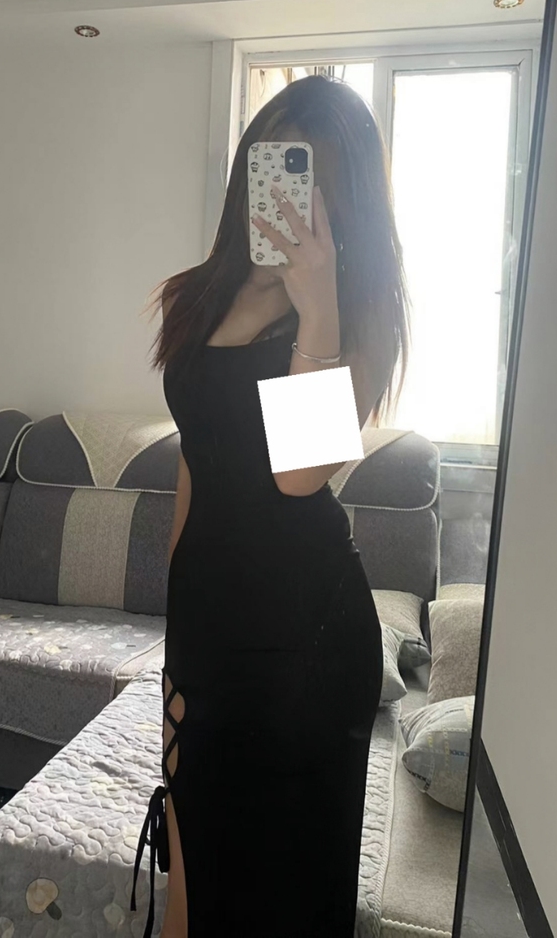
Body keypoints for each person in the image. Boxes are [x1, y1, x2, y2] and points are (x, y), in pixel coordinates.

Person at [131, 73, 410, 938]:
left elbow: (300, 474)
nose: (294, 196)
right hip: (212, 623)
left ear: (347, 196)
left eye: (318, 178)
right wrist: (180, 636)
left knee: (284, 892)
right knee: (192, 858)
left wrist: (315, 306)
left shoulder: (361, 313)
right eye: (279, 165)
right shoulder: (196, 294)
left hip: (308, 645)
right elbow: (197, 459)